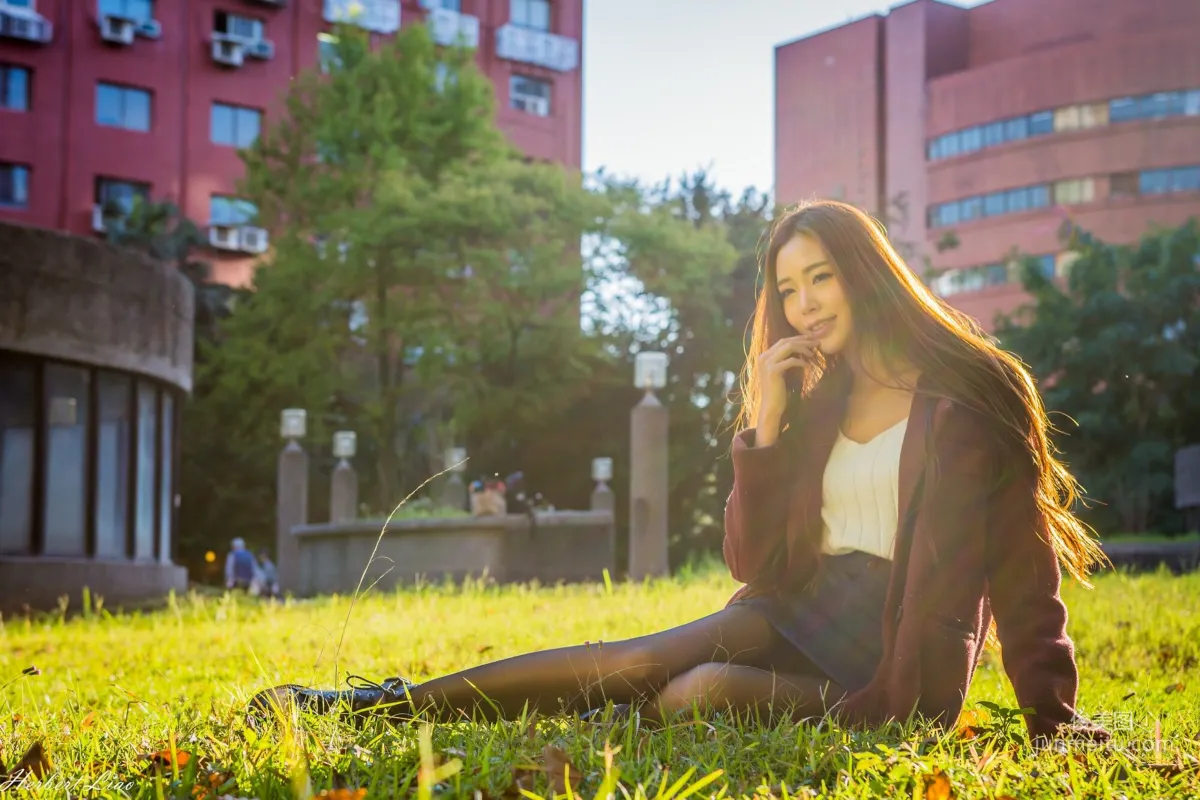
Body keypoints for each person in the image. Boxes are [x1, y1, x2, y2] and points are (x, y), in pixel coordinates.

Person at [249, 200, 1110, 747]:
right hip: (799, 607)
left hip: (892, 656)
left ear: (869, 273)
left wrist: (1053, 718)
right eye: (789, 288)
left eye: (822, 278)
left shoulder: (974, 393)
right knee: (638, 655)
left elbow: (1027, 570)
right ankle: (381, 708)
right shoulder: (818, 395)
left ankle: (615, 709)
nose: (805, 305)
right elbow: (751, 563)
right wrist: (767, 422)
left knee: (694, 696)